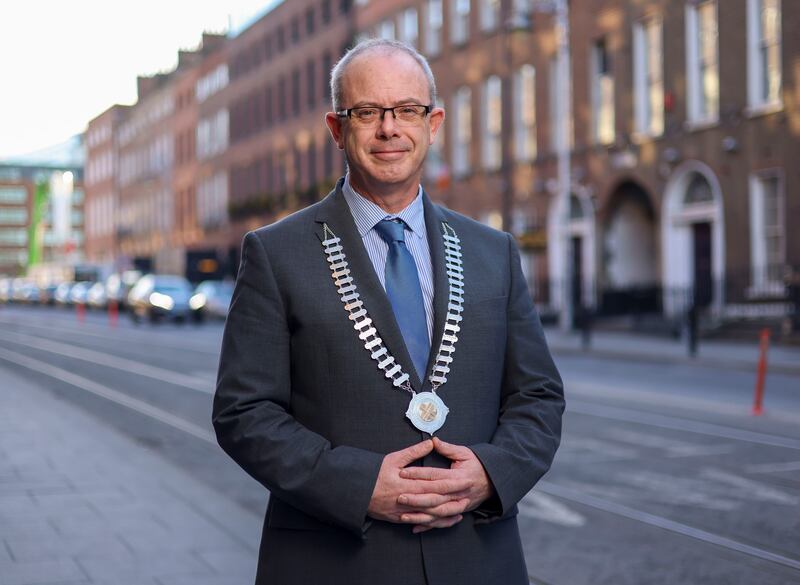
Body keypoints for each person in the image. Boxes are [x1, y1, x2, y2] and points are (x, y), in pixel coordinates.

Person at [213, 38, 565, 585]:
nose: (389, 129)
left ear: (434, 122)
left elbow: (537, 395)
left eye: (407, 110)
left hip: (475, 558)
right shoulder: (276, 253)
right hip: (335, 562)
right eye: (367, 112)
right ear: (336, 127)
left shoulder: (492, 251)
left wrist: (491, 474)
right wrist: (358, 485)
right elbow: (244, 413)